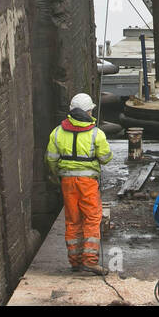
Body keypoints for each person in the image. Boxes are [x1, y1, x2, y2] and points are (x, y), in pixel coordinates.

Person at [45, 93, 113, 275]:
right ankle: (90, 261)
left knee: (72, 220)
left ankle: (75, 261)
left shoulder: (57, 132)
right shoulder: (96, 134)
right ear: (89, 111)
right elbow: (106, 158)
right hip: (87, 183)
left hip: (67, 182)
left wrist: (56, 175)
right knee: (91, 218)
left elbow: (51, 159)